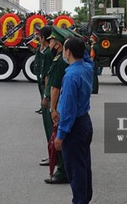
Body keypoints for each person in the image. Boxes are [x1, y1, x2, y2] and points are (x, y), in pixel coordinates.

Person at [55, 36, 94, 204]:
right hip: (84, 121)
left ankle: (79, 201)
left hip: (74, 126)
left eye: (64, 48)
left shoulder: (71, 76)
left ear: (68, 52)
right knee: (84, 165)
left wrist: (61, 135)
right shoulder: (86, 68)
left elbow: (69, 109)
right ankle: (84, 199)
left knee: (75, 169)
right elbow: (87, 59)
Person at [43, 26, 72, 184]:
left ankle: (62, 170)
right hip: (59, 103)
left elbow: (55, 87)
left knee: (58, 136)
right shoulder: (59, 58)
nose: (50, 43)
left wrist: (53, 108)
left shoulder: (60, 61)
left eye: (52, 40)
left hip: (57, 104)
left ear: (58, 44)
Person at [36, 26, 54, 167]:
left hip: (47, 92)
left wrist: (45, 96)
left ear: (43, 38)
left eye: (39, 36)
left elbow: (48, 76)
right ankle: (52, 155)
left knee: (49, 126)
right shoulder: (46, 51)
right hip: (46, 89)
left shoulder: (48, 53)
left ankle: (53, 156)